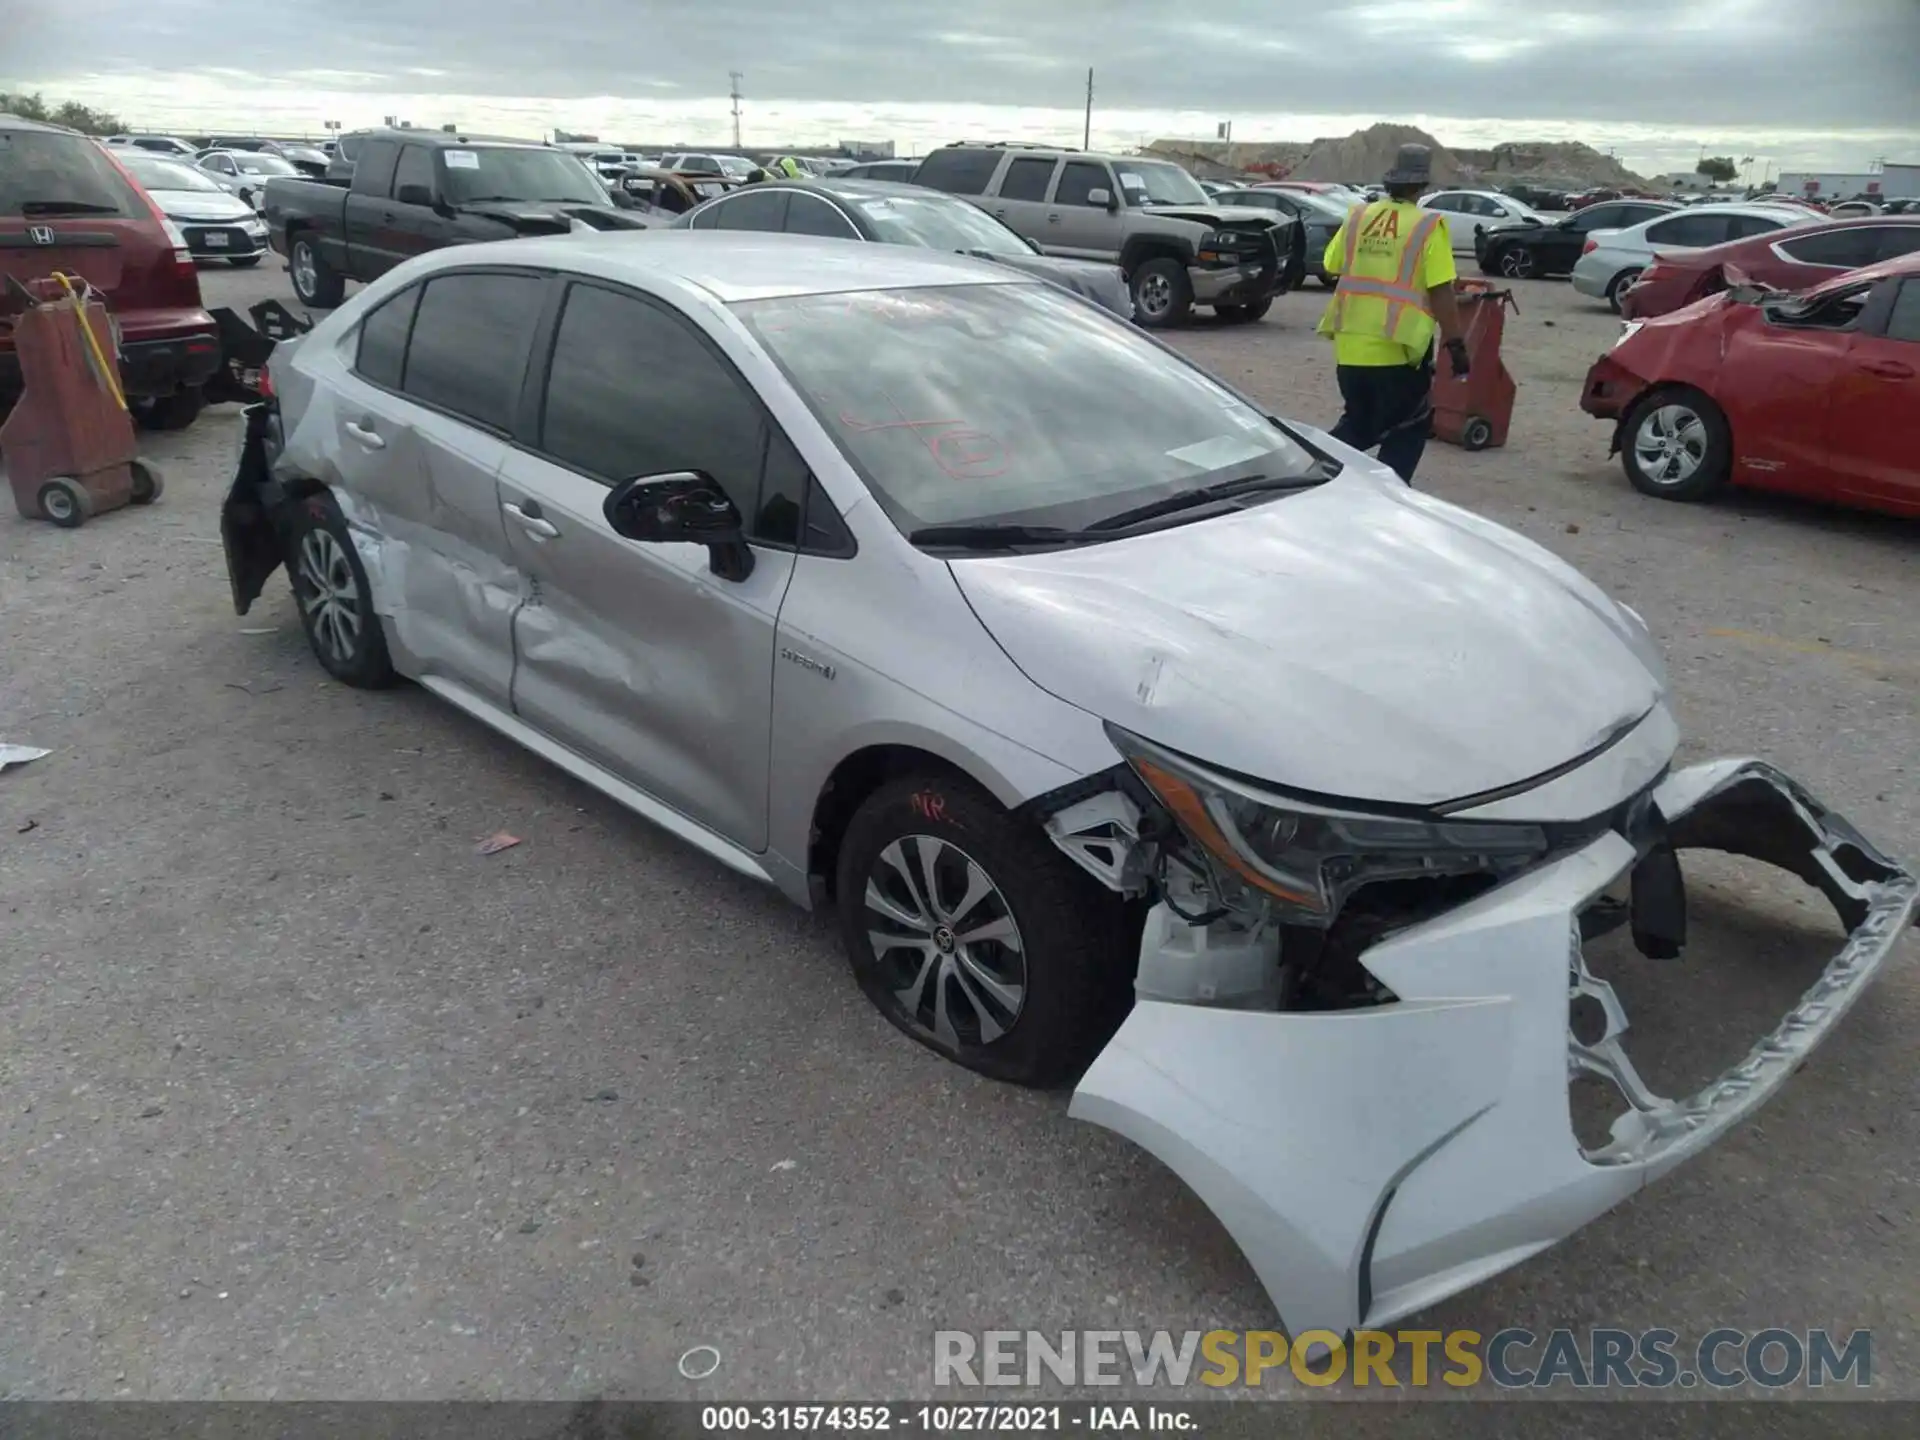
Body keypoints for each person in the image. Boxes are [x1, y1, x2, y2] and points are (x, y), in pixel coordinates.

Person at [1316, 143, 1470, 485]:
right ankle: (1386, 498)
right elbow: (1441, 290)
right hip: (1398, 351)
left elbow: (1330, 264)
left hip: (1350, 349)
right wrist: (1456, 345)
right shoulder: (1429, 225)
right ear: (1422, 186)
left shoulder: (1358, 216)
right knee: (1408, 427)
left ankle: (1318, 473)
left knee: (1361, 423)